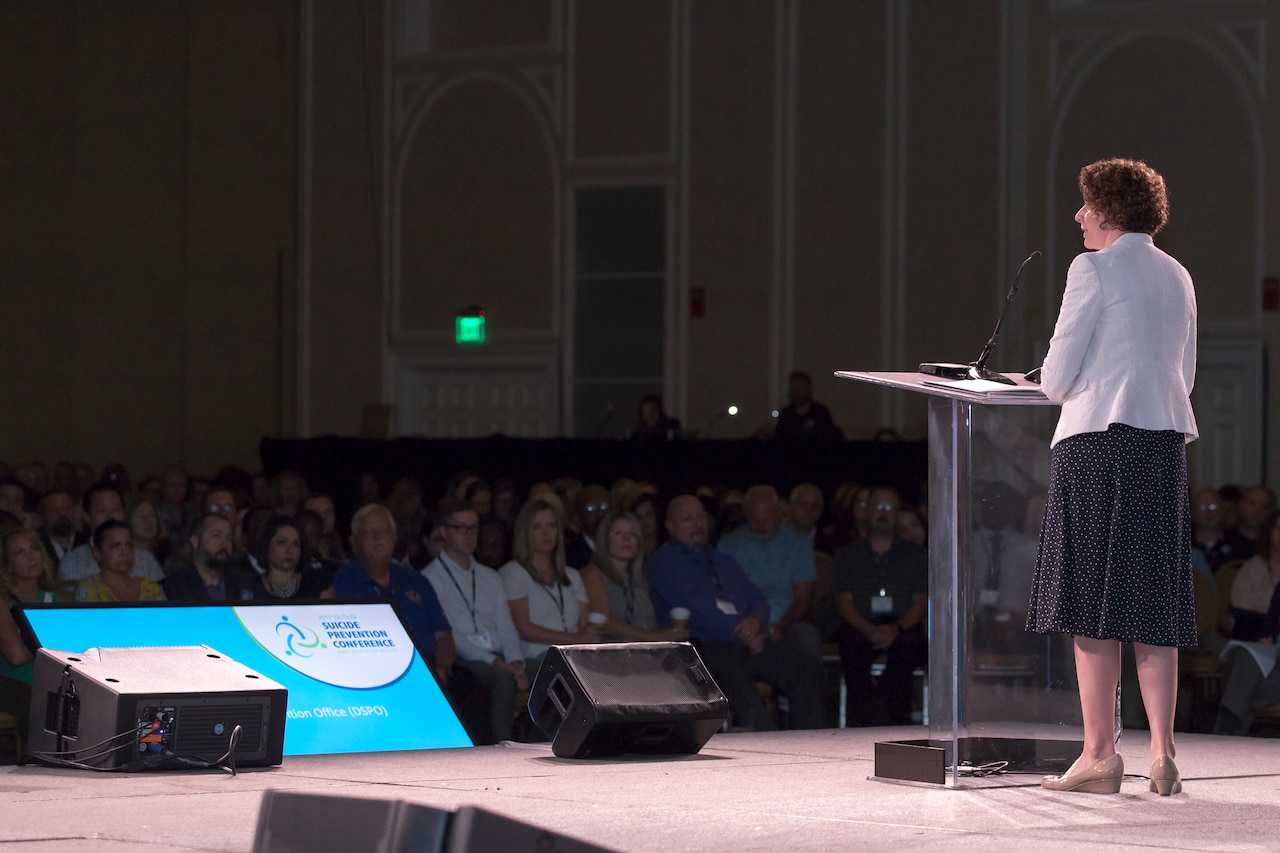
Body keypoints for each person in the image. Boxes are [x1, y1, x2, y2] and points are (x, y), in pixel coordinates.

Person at [1026, 158, 1198, 796]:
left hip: (1098, 444)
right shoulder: (1177, 274)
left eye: (1086, 205)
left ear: (1110, 211)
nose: (1078, 217)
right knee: (1153, 602)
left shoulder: (1091, 267)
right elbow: (1184, 374)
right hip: (1160, 447)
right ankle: (1162, 752)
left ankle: (1099, 753)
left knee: (1093, 605)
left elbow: (1054, 378)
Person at [646, 495, 826, 731]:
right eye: (688, 519)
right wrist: (743, 631)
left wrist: (755, 622)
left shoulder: (721, 559)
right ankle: (767, 740)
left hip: (742, 644)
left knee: (801, 664)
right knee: (729, 667)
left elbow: (757, 598)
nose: (698, 524)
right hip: (701, 650)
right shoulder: (665, 561)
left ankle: (813, 737)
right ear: (670, 527)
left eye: (701, 517)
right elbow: (698, 610)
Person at [422, 501, 527, 745]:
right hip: (465, 656)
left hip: (498, 653)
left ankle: (543, 740)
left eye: (473, 528)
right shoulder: (430, 577)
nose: (469, 535)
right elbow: (450, 634)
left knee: (547, 670)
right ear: (443, 532)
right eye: (461, 528)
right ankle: (503, 746)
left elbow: (506, 625)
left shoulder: (490, 575)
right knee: (501, 678)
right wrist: (498, 663)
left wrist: (516, 660)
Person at [324, 504, 456, 683]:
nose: (377, 537)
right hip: (375, 677)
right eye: (369, 532)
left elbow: (443, 636)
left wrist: (441, 669)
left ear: (394, 537)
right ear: (354, 541)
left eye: (383, 531)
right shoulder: (343, 581)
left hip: (429, 671)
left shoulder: (415, 580)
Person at [832, 486, 928, 727]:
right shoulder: (846, 555)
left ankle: (890, 718)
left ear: (897, 514)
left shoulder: (916, 556)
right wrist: (869, 630)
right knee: (851, 645)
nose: (883, 513)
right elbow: (844, 602)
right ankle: (863, 720)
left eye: (889, 508)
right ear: (867, 513)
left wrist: (896, 628)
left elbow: (919, 602)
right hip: (861, 623)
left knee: (909, 647)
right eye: (878, 507)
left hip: (901, 624)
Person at [498, 499, 600, 670]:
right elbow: (524, 628)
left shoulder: (572, 575)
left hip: (575, 655)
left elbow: (584, 621)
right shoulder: (513, 573)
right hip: (538, 656)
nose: (547, 533)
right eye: (538, 527)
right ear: (525, 532)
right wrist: (575, 639)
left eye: (552, 526)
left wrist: (585, 637)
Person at [579, 510, 685, 642]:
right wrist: (657, 637)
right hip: (612, 655)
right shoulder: (593, 574)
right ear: (605, 540)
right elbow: (604, 623)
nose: (627, 539)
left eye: (632, 534)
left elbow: (650, 624)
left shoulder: (639, 581)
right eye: (618, 533)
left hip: (646, 654)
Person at [58, 483, 165, 588]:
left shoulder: (146, 560)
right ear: (87, 517)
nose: (110, 517)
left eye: (117, 510)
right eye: (102, 510)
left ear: (124, 514)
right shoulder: (72, 563)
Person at [161, 513, 259, 602]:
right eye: (216, 535)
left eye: (229, 538)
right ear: (195, 541)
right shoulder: (175, 586)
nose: (225, 543)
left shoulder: (244, 583)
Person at [76, 520, 166, 602]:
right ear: (97, 553)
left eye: (129, 545)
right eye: (115, 546)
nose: (124, 552)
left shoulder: (150, 586)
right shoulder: (90, 588)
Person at [1228, 511, 1280, 639]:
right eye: (1278, 529)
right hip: (1255, 636)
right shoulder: (1252, 568)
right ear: (1269, 532)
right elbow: (1240, 615)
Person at [255, 515, 331, 600]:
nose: (290, 550)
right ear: (267, 545)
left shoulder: (317, 583)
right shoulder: (250, 585)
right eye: (282, 542)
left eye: (296, 544)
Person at [1191, 487, 1252, 572]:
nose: (1208, 512)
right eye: (1202, 507)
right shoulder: (1182, 545)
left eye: (1213, 507)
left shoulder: (1240, 546)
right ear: (1192, 512)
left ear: (1223, 510)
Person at [774, 371, 843, 441]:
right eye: (793, 388)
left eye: (800, 388)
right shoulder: (787, 414)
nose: (796, 392)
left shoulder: (820, 413)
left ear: (809, 389)